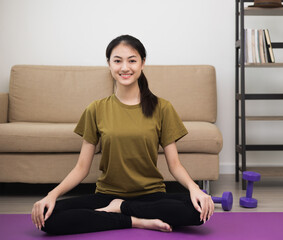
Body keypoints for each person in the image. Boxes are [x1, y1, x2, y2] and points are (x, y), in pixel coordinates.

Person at [31, 35, 214, 235]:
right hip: (107, 196)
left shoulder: (162, 108)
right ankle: (136, 220)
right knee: (49, 218)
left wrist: (194, 188)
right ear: (109, 64)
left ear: (143, 63)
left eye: (132, 60)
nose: (124, 67)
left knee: (198, 212)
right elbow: (81, 168)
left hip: (151, 195)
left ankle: (121, 210)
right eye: (117, 60)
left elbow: (175, 164)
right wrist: (51, 195)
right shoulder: (96, 109)